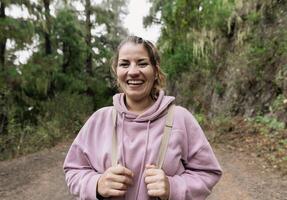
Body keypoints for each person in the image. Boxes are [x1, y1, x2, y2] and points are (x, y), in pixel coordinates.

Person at [63, 36, 222, 200]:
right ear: (116, 72)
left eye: (142, 63)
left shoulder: (180, 119)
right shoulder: (99, 120)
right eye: (124, 64)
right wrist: (96, 184)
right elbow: (73, 170)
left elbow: (208, 172)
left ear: (155, 71)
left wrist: (173, 187)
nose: (133, 71)